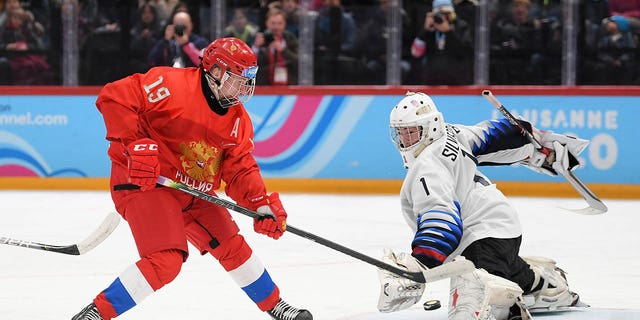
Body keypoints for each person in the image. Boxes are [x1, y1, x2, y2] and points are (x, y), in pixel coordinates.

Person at [71, 37, 313, 320]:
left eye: (249, 79)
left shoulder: (238, 120)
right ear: (217, 72)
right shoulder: (169, 85)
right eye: (239, 78)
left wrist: (261, 204)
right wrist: (133, 142)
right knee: (166, 260)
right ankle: (95, 314)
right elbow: (114, 96)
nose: (246, 87)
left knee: (232, 246)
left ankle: (276, 305)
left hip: (193, 193)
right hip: (146, 184)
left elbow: (240, 168)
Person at [377, 91, 588, 319]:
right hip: (498, 225)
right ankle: (546, 284)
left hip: (481, 234)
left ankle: (506, 306)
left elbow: (441, 220)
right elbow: (494, 136)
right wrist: (534, 146)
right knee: (498, 268)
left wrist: (420, 263)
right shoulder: (450, 133)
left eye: (412, 132)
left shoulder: (428, 166)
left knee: (474, 306)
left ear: (431, 126)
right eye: (401, 132)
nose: (406, 139)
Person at [254, 8, 299, 85]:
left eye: (279, 23)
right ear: (267, 23)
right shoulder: (259, 40)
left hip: (289, 87)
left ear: (284, 24)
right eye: (273, 23)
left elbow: (300, 63)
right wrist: (255, 48)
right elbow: (249, 66)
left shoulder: (291, 39)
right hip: (264, 89)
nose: (276, 27)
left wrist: (284, 51)